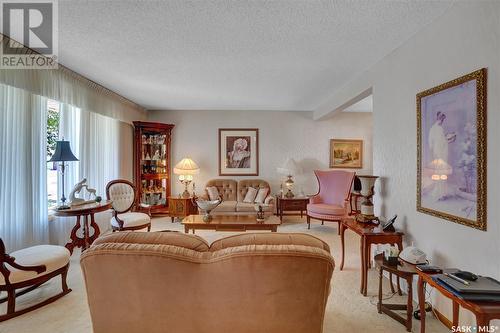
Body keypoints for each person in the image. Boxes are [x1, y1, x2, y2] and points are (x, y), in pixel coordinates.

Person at [427, 111, 456, 200]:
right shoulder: (436, 128)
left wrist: (449, 138)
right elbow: (439, 142)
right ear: (438, 118)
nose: (442, 120)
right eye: (441, 118)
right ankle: (440, 193)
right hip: (440, 152)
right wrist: (450, 138)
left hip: (440, 152)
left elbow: (437, 142)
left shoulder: (436, 128)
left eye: (442, 119)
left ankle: (442, 192)